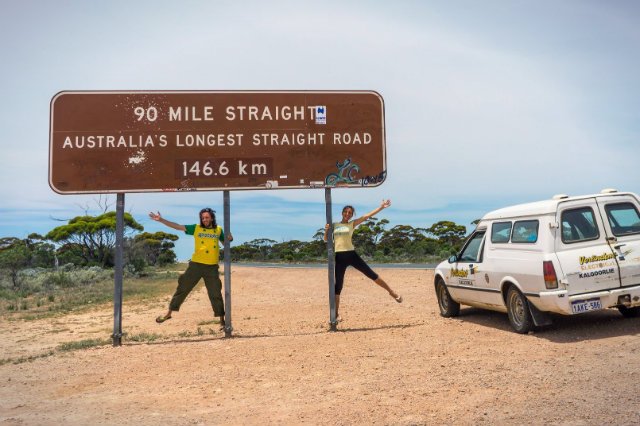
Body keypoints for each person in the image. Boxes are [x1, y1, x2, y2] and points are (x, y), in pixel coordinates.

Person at [149, 208, 232, 327]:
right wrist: (161, 220)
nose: (205, 220)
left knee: (215, 293)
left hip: (212, 267)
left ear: (212, 218)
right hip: (196, 265)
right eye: (203, 218)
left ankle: (222, 320)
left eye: (207, 217)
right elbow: (178, 226)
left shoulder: (218, 230)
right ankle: (168, 313)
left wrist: (229, 239)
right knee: (183, 287)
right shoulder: (196, 228)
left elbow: (225, 244)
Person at [324, 199, 402, 321]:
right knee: (338, 286)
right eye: (346, 212)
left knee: (371, 274)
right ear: (342, 213)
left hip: (352, 254)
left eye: (350, 213)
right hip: (339, 256)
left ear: (352, 215)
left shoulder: (352, 224)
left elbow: (367, 216)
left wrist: (381, 207)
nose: (348, 214)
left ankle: (392, 292)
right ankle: (336, 314)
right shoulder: (334, 225)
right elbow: (326, 240)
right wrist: (326, 231)